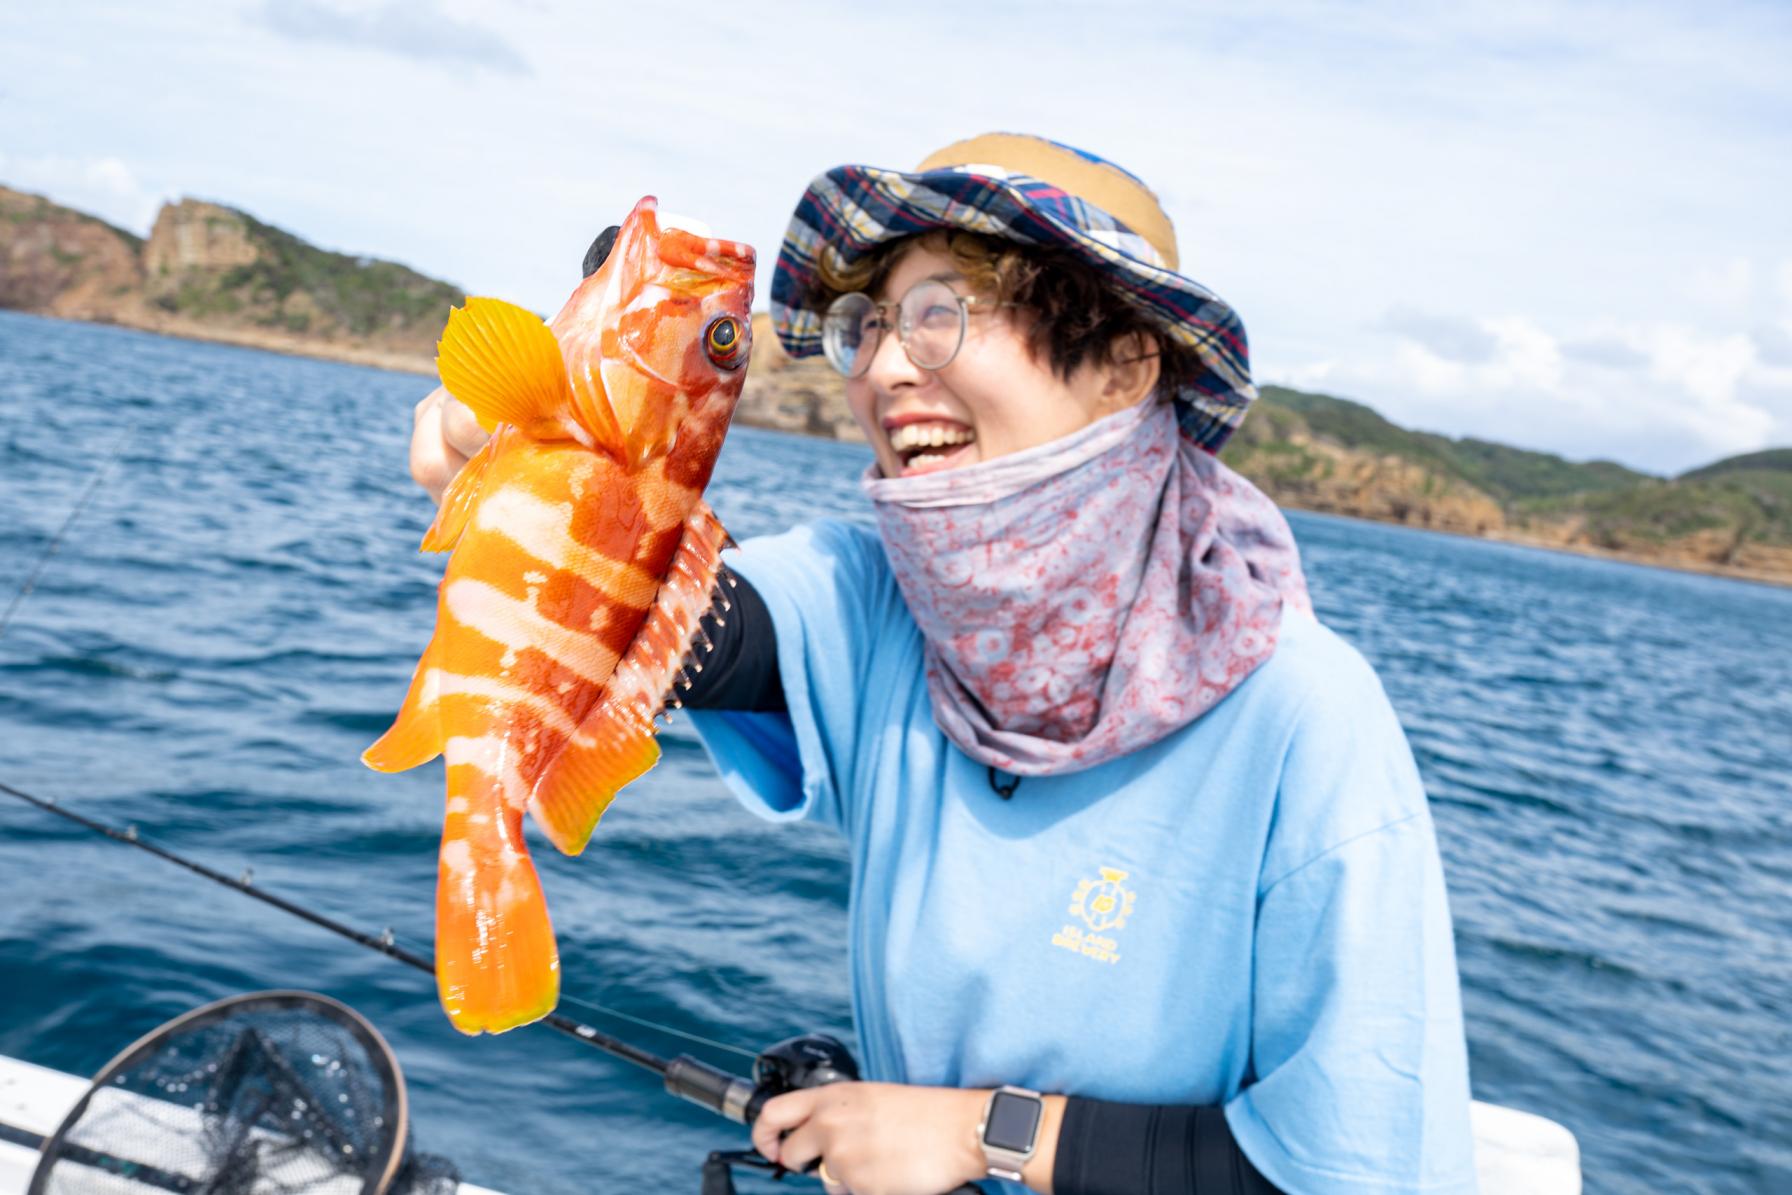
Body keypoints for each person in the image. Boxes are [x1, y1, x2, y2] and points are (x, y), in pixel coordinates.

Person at [409, 134, 1477, 1195]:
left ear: (1122, 363)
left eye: (938, 314)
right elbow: (671, 623)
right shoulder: (881, 597)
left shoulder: (1299, 710)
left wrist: (983, 1135)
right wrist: (517, 452)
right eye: (867, 325)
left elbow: (1357, 1164)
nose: (878, 367)